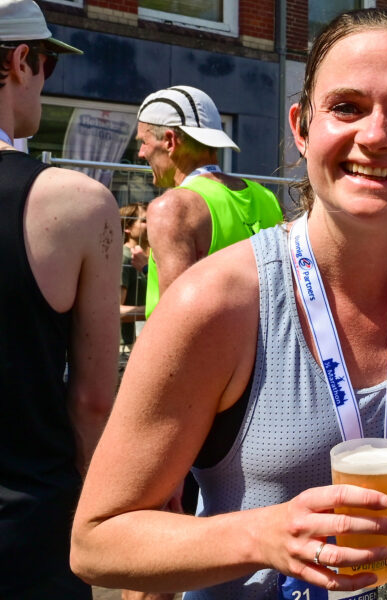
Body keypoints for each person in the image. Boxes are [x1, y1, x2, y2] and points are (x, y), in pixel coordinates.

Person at [71, 4, 387, 598]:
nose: (375, 135)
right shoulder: (218, 303)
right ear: (302, 128)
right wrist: (263, 535)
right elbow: (97, 540)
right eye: (347, 107)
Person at [0, 0, 120, 597]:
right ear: (21, 60)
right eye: (48, 64)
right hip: (27, 526)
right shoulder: (75, 204)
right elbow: (93, 401)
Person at [135, 84, 283, 317]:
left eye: (144, 141)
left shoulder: (172, 207)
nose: (140, 152)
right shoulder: (266, 197)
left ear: (170, 141)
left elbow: (178, 321)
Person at [119, 202, 148, 347]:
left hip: (143, 344)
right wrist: (154, 310)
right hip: (126, 348)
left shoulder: (150, 257)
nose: (151, 225)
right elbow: (115, 310)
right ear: (127, 228)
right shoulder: (124, 257)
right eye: (144, 221)